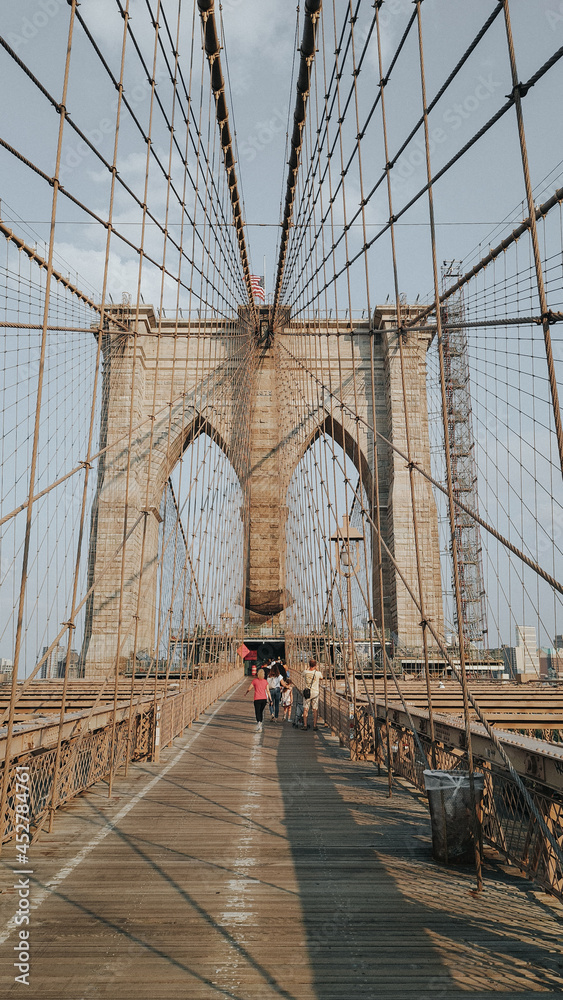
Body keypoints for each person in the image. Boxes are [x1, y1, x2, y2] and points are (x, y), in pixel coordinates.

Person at [302, 659, 323, 731]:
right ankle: (314, 725)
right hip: (315, 693)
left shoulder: (305, 672)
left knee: (305, 709)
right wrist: (316, 670)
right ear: (316, 665)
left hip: (307, 693)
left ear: (309, 664)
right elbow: (322, 678)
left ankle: (305, 725)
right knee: (315, 709)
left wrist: (308, 669)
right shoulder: (318, 673)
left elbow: (303, 675)